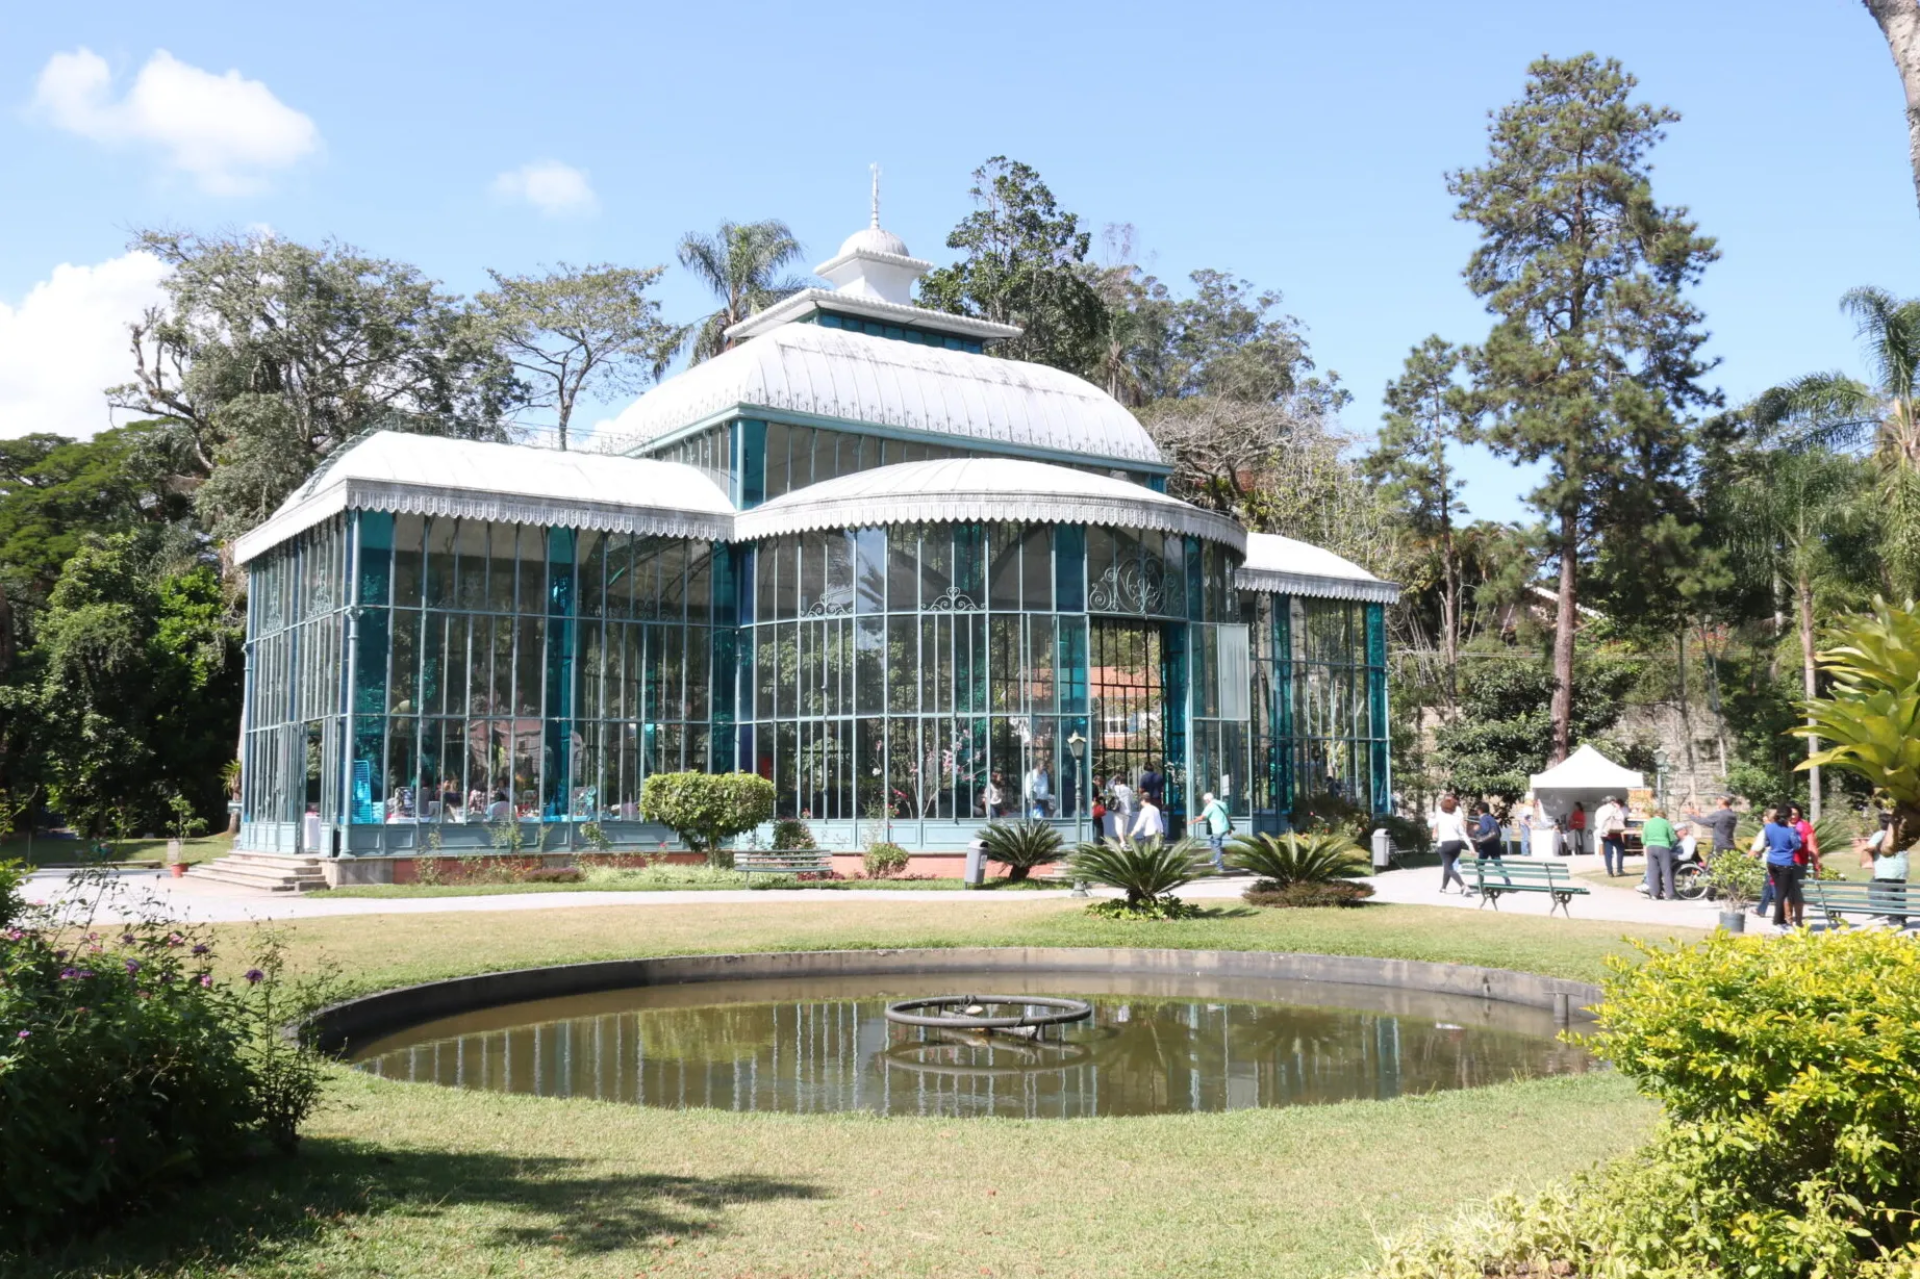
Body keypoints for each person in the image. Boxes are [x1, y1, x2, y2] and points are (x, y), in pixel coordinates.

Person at [1752, 807, 1805, 928]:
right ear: (1788, 817)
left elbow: (1767, 843)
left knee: (1779, 891)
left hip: (1771, 862)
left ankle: (1780, 920)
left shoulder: (1768, 827)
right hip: (1785, 864)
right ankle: (1778, 921)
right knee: (1782, 893)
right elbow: (1797, 846)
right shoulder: (1791, 830)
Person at [1859, 809, 1909, 928]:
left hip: (1886, 871)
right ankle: (1901, 918)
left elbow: (1869, 847)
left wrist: (1865, 848)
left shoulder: (1880, 834)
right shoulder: (1901, 834)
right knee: (1899, 893)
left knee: (1886, 893)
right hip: (1901, 870)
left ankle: (1889, 917)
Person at [1432, 794, 1472, 894]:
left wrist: (1431, 820)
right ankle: (1443, 888)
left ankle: (1463, 885)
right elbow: (1463, 833)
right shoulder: (1456, 819)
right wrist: (1471, 847)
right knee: (1448, 866)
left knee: (1448, 867)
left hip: (1445, 844)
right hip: (1457, 844)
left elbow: (1432, 823)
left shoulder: (1440, 817)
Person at [1640, 807, 1679, 901]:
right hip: (1663, 847)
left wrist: (1648, 843)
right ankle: (1669, 894)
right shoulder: (1666, 823)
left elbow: (1643, 840)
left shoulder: (1647, 823)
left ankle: (1654, 894)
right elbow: (1672, 838)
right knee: (1666, 871)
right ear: (1663, 815)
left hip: (1650, 848)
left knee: (1653, 871)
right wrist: (1669, 845)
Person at [1594, 795, 1627, 877]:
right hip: (1614, 832)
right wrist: (1618, 808)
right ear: (1612, 801)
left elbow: (1596, 822)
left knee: (1608, 852)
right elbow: (1621, 818)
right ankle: (1619, 869)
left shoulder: (1600, 809)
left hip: (1604, 833)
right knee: (1620, 849)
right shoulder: (1615, 809)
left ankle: (1610, 871)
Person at [1199, 791, 1232, 870]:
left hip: (1217, 829)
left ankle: (1220, 866)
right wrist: (1230, 827)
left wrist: (1192, 821)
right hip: (1224, 828)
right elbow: (1228, 816)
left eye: (1205, 801)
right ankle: (1214, 858)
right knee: (1212, 840)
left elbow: (1203, 817)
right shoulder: (1222, 804)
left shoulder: (1210, 806)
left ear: (1208, 800)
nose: (1205, 802)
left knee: (1217, 846)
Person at [1788, 803, 1821, 877]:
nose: (1793, 817)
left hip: (1799, 863)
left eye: (1795, 814)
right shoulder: (1781, 826)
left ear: (1799, 814)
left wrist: (1816, 864)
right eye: (1790, 814)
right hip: (1782, 863)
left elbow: (1811, 846)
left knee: (1797, 887)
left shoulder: (1805, 826)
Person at [1110, 776, 1138, 846]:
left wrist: (1113, 777)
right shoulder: (1129, 790)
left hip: (1119, 810)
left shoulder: (1116, 788)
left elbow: (1109, 784)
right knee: (1124, 827)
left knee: (1118, 826)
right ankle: (1124, 841)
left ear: (1119, 781)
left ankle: (1122, 841)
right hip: (1127, 811)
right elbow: (1132, 800)